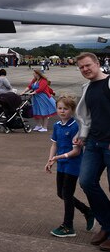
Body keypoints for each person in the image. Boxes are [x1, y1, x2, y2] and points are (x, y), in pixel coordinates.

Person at [74, 52, 110, 248]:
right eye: (81, 67)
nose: (85, 69)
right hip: (93, 144)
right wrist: (81, 134)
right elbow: (88, 117)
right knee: (87, 182)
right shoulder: (87, 87)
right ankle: (107, 223)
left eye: (88, 65)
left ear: (98, 63)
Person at [45, 95, 93, 237]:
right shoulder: (57, 126)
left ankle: (68, 226)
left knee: (67, 194)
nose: (62, 111)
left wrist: (59, 157)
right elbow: (54, 144)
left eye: (65, 109)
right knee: (61, 193)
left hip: (73, 164)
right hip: (61, 164)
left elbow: (76, 151)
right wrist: (50, 160)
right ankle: (87, 211)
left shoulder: (75, 127)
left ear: (72, 110)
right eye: (59, 108)